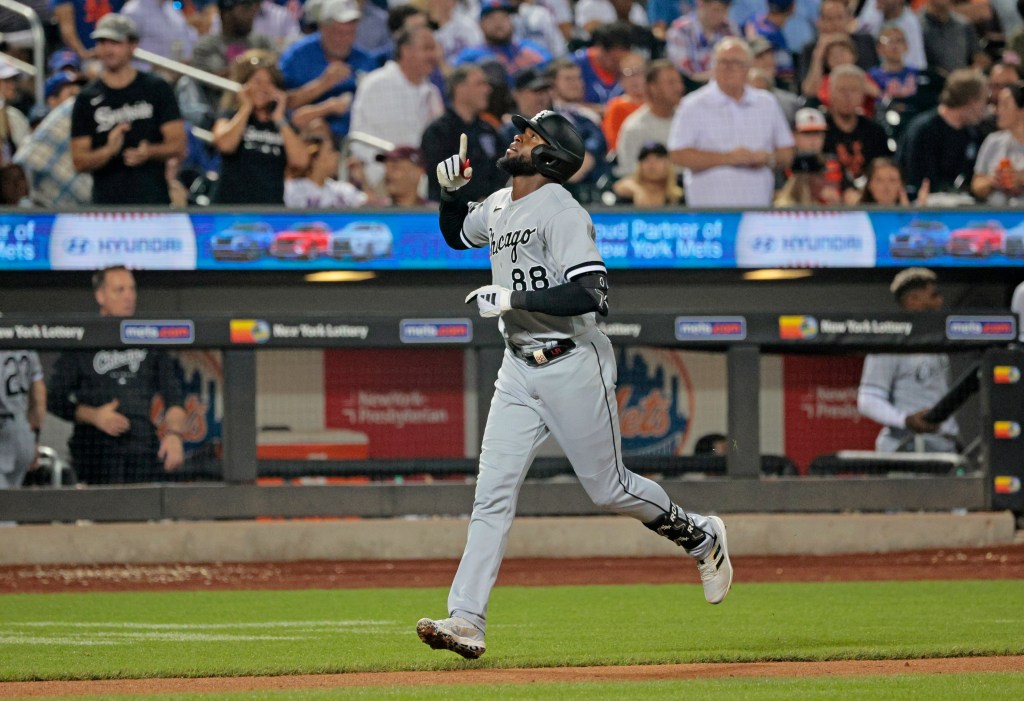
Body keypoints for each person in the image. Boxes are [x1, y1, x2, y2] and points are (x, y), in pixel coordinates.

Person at [416, 112, 733, 660]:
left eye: (530, 134)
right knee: (491, 495)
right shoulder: (496, 202)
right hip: (518, 366)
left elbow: (592, 293)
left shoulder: (562, 210)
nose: (517, 137)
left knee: (609, 489)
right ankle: (466, 619)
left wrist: (512, 299)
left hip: (571, 362)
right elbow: (454, 235)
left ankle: (701, 536)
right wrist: (448, 193)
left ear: (550, 156)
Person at [48, 266, 187, 485]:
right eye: (119, 290)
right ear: (101, 296)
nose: (129, 296)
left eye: (132, 289)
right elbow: (54, 398)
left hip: (141, 452)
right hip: (93, 452)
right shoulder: (82, 340)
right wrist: (94, 416)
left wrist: (174, 435)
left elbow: (174, 398)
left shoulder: (148, 338)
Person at [70, 14, 187, 205]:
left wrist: (150, 151)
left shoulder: (156, 88)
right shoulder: (86, 98)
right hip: (106, 208)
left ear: (133, 46)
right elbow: (78, 161)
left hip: (153, 202)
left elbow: (179, 145)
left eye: (115, 42)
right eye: (102, 42)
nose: (107, 49)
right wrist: (108, 150)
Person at [668, 37, 794, 207]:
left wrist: (767, 158)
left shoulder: (767, 103)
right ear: (713, 66)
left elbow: (786, 153)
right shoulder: (693, 105)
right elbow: (678, 154)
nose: (729, 68)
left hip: (757, 209)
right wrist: (727, 158)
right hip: (708, 211)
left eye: (736, 63)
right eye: (723, 62)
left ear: (748, 68)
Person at [857, 267, 958, 453]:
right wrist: (906, 420)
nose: (940, 301)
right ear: (913, 300)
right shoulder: (890, 342)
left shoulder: (937, 343)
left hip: (942, 447)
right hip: (906, 450)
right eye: (934, 295)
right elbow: (868, 398)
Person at [348, 24, 444, 189]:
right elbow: (359, 141)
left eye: (434, 49)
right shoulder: (376, 84)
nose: (433, 56)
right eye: (427, 49)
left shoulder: (432, 93)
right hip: (381, 182)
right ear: (406, 51)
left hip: (422, 185)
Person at [212, 50, 309, 204]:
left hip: (270, 209)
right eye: (257, 81)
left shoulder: (283, 125)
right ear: (245, 85)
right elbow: (225, 145)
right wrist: (246, 108)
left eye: (269, 83)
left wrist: (279, 117)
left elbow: (301, 162)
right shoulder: (230, 116)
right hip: (230, 208)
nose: (263, 88)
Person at [279, 0, 377, 140]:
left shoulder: (366, 61)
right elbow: (282, 102)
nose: (344, 39)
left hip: (355, 139)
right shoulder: (297, 55)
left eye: (350, 33)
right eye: (338, 32)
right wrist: (323, 84)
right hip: (305, 137)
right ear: (323, 27)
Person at [421, 64, 507, 203]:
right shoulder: (439, 131)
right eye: (480, 84)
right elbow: (441, 177)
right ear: (460, 89)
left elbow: (502, 170)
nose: (488, 89)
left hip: (488, 212)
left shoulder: (488, 131)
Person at [898, 67, 987, 200]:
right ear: (970, 101)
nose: (984, 108)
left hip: (962, 202)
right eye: (982, 100)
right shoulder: (924, 129)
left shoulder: (973, 133)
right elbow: (915, 177)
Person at [822, 64, 892, 191]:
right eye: (842, 90)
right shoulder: (819, 130)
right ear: (830, 92)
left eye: (854, 90)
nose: (847, 96)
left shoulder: (875, 131)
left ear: (863, 95)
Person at [616, 59, 685, 176]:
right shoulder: (635, 128)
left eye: (679, 82)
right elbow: (629, 174)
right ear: (653, 88)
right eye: (671, 83)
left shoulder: (689, 120)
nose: (679, 88)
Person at [971, 83, 1024, 205]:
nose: (997, 111)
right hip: (997, 217)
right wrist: (992, 181)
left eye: (1005, 105)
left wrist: (1021, 179)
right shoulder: (993, 141)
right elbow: (976, 185)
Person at [0, 349, 45, 489]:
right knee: (12, 498)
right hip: (23, 429)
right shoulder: (27, 343)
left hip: (3, 425)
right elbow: (38, 397)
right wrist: (34, 439)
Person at [665, 0, 738, 85]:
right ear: (701, 4)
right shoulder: (681, 29)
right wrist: (720, 75)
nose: (721, 15)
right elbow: (685, 74)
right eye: (716, 10)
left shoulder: (729, 28)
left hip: (723, 85)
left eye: (724, 11)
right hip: (690, 87)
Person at [284, 133, 367, 207]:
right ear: (315, 158)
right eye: (330, 151)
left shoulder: (343, 190)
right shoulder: (292, 189)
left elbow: (374, 206)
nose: (337, 155)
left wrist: (363, 180)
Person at [611, 141, 684, 204]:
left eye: (658, 159)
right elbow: (618, 186)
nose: (652, 164)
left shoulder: (681, 188)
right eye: (646, 159)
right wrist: (637, 190)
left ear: (667, 163)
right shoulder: (629, 194)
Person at [848, 155, 926, 204]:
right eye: (879, 180)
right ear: (869, 184)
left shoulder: (912, 214)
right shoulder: (857, 215)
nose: (886, 186)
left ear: (901, 184)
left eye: (892, 180)